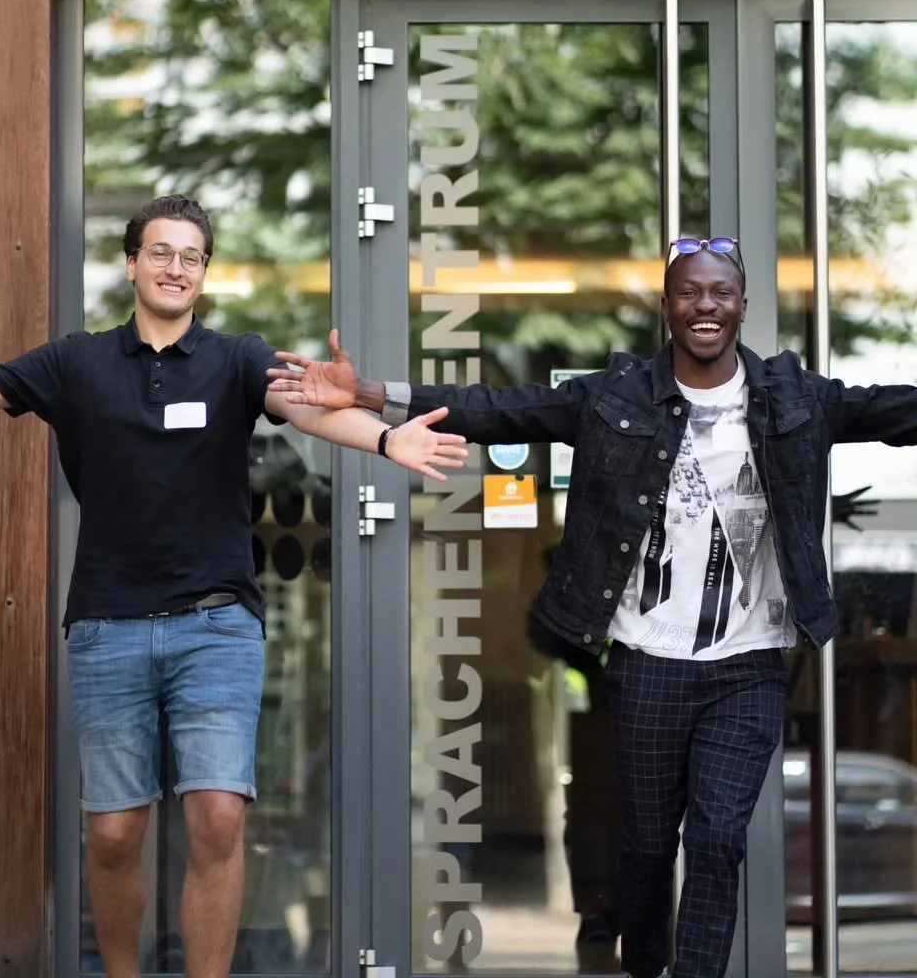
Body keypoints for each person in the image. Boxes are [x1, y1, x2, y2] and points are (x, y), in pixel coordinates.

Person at [0, 194, 468, 978]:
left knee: (216, 820)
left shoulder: (237, 358)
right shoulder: (76, 364)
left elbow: (306, 409)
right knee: (113, 835)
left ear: (205, 273)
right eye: (161, 253)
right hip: (108, 625)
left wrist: (383, 436)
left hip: (216, 626)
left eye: (191, 256)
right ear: (132, 264)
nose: (176, 268)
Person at [267, 236, 917, 978]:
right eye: (689, 293)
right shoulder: (613, 397)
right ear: (667, 307)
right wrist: (369, 395)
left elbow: (895, 412)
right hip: (647, 661)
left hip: (750, 663)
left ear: (741, 306)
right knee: (644, 846)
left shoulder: (796, 398)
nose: (705, 306)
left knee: (718, 837)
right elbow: (495, 410)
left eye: (720, 293)